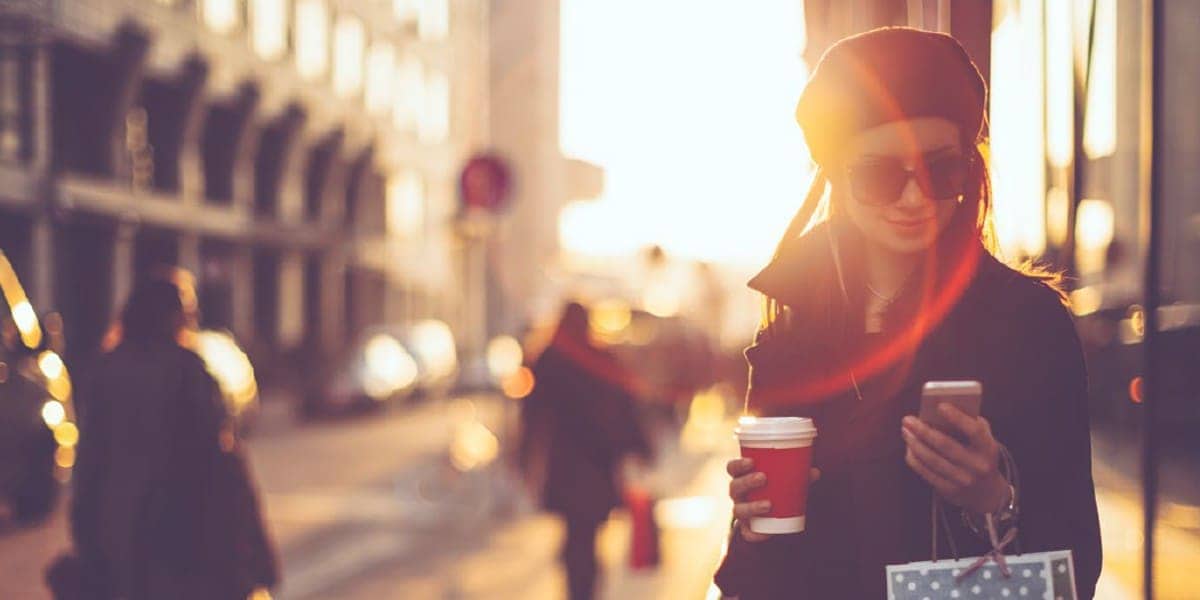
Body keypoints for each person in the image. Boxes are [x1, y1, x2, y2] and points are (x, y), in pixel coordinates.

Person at [715, 28, 1102, 598]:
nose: (915, 198)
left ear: (971, 172)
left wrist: (995, 498)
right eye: (880, 175)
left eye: (942, 169)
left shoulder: (1028, 324)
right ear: (838, 176)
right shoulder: (792, 328)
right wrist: (754, 528)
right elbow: (747, 580)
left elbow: (1078, 565)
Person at [68, 268, 278, 599]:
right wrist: (252, 546)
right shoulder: (186, 370)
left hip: (117, 524)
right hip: (180, 527)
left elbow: (90, 457)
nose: (193, 318)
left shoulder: (106, 369)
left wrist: (84, 523)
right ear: (173, 316)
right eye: (188, 311)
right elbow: (221, 460)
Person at [517, 302, 653, 600]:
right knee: (587, 536)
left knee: (577, 536)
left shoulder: (548, 358)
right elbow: (625, 408)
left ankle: (578, 589)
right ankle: (585, 589)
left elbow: (531, 416)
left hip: (565, 467)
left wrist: (523, 459)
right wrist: (640, 448)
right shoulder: (600, 358)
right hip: (597, 466)